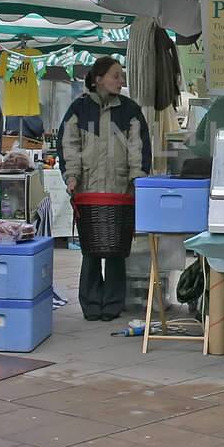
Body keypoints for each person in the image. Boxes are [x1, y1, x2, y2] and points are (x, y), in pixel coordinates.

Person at [60, 57, 150, 321]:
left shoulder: (130, 110)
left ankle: (112, 303)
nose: (121, 81)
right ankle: (90, 303)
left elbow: (139, 150)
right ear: (98, 78)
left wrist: (137, 180)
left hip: (120, 190)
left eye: (121, 76)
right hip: (87, 189)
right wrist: (72, 176)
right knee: (90, 249)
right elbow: (69, 144)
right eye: (115, 76)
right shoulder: (79, 108)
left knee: (116, 250)